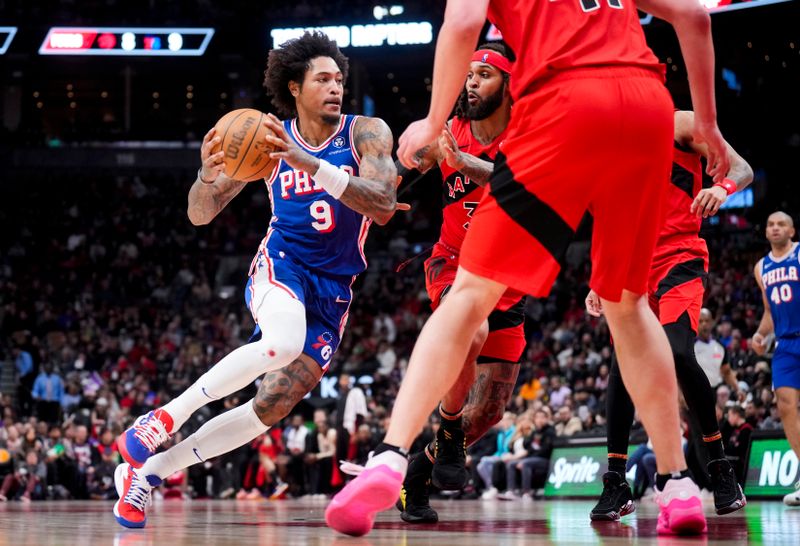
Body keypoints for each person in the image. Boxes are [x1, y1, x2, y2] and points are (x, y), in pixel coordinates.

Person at [326, 0, 730, 537]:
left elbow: (464, 24)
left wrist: (430, 115)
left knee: (471, 297)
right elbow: (695, 17)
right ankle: (678, 487)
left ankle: (390, 456)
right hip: (646, 103)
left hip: (563, 100)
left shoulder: (491, 119)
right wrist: (708, 124)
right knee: (629, 305)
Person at [112, 31, 403, 528]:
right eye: (323, 79)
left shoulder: (366, 133)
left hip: (334, 290)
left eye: (339, 79)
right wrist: (206, 178)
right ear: (294, 86)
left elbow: (381, 205)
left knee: (270, 405)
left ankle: (148, 473)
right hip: (281, 265)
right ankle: (162, 419)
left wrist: (309, 163)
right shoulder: (265, 139)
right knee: (283, 340)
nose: (336, 88)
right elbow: (200, 215)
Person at [585, 110, 752, 520]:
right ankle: (615, 481)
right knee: (622, 368)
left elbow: (743, 168)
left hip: (679, 257)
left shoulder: (678, 123)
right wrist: (598, 278)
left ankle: (719, 465)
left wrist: (723, 187)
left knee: (678, 354)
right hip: (629, 269)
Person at [396, 42, 526, 524]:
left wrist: (470, 166)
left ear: (509, 86)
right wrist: (383, 190)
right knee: (472, 331)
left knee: (489, 413)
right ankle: (447, 428)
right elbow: (396, 171)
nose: (470, 82)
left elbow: (525, 183)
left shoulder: (530, 133)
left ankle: (417, 474)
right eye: (467, 73)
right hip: (454, 265)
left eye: (484, 75)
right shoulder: (449, 132)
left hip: (509, 279)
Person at [751, 211, 800, 506]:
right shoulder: (761, 267)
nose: (775, 228)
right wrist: (760, 335)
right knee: (786, 406)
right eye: (770, 224)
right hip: (784, 344)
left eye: (781, 223)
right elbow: (769, 312)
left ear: (792, 230)